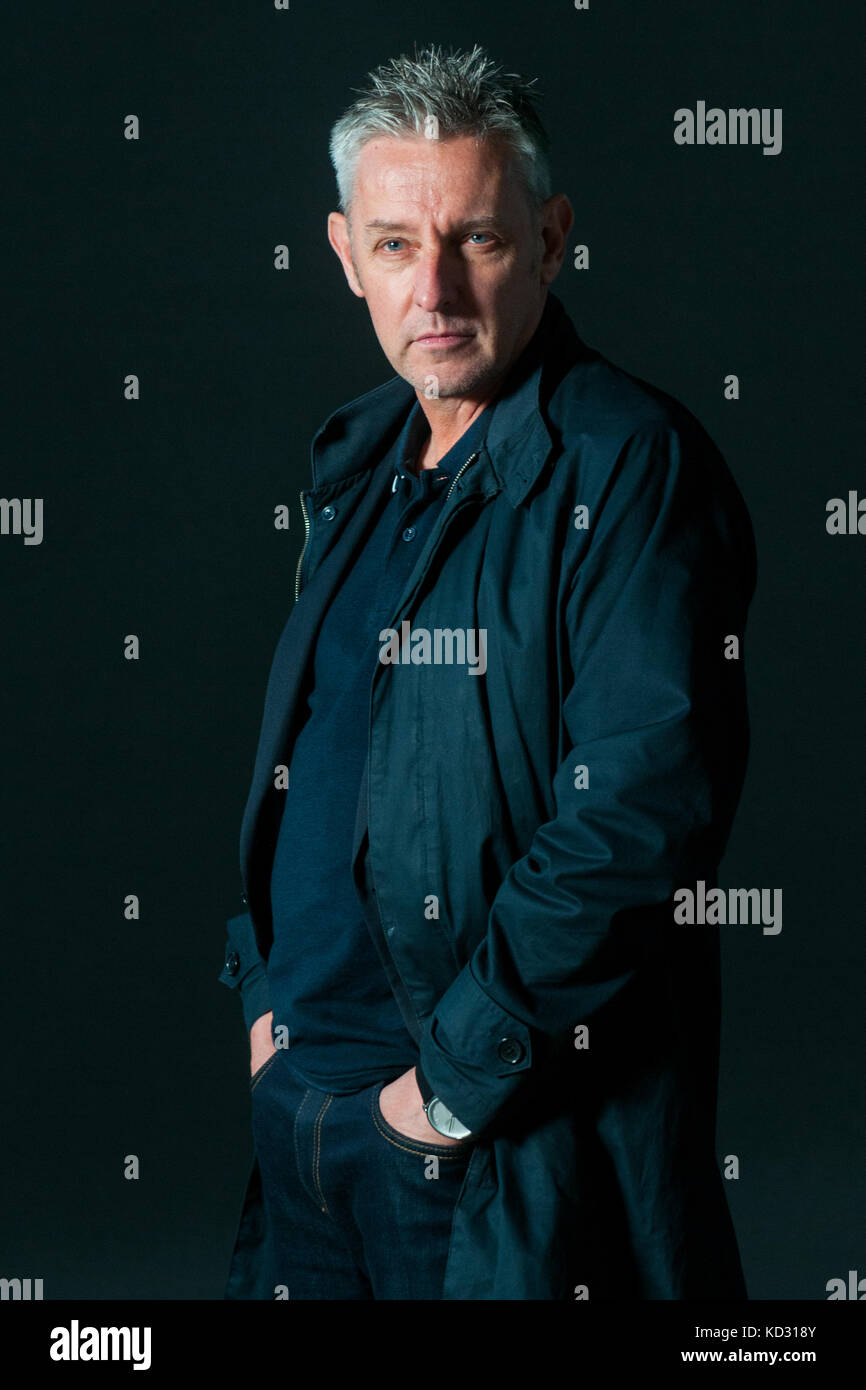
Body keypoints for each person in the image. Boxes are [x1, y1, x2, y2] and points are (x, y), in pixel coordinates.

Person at [218, 43, 756, 1301]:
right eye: (399, 246)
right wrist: (264, 1005)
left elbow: (638, 820)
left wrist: (443, 1095)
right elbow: (317, 755)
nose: (437, 289)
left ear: (552, 237)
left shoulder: (630, 465)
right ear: (345, 254)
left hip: (478, 1149)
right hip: (304, 1111)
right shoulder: (358, 460)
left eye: (479, 240)